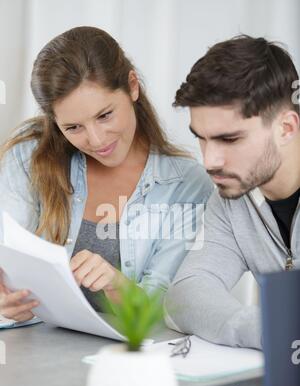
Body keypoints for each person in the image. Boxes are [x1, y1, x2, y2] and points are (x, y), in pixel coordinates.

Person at [0, 26, 212, 325]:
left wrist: (117, 286)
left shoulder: (186, 184)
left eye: (104, 115)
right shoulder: (29, 154)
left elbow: (165, 311)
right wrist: (5, 303)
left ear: (133, 86)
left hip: (122, 362)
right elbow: (7, 258)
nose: (97, 140)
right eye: (73, 127)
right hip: (34, 355)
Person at [165, 35, 300, 350]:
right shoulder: (232, 198)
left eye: (230, 139)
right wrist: (270, 330)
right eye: (202, 138)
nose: (210, 161)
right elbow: (186, 294)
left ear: (286, 128)